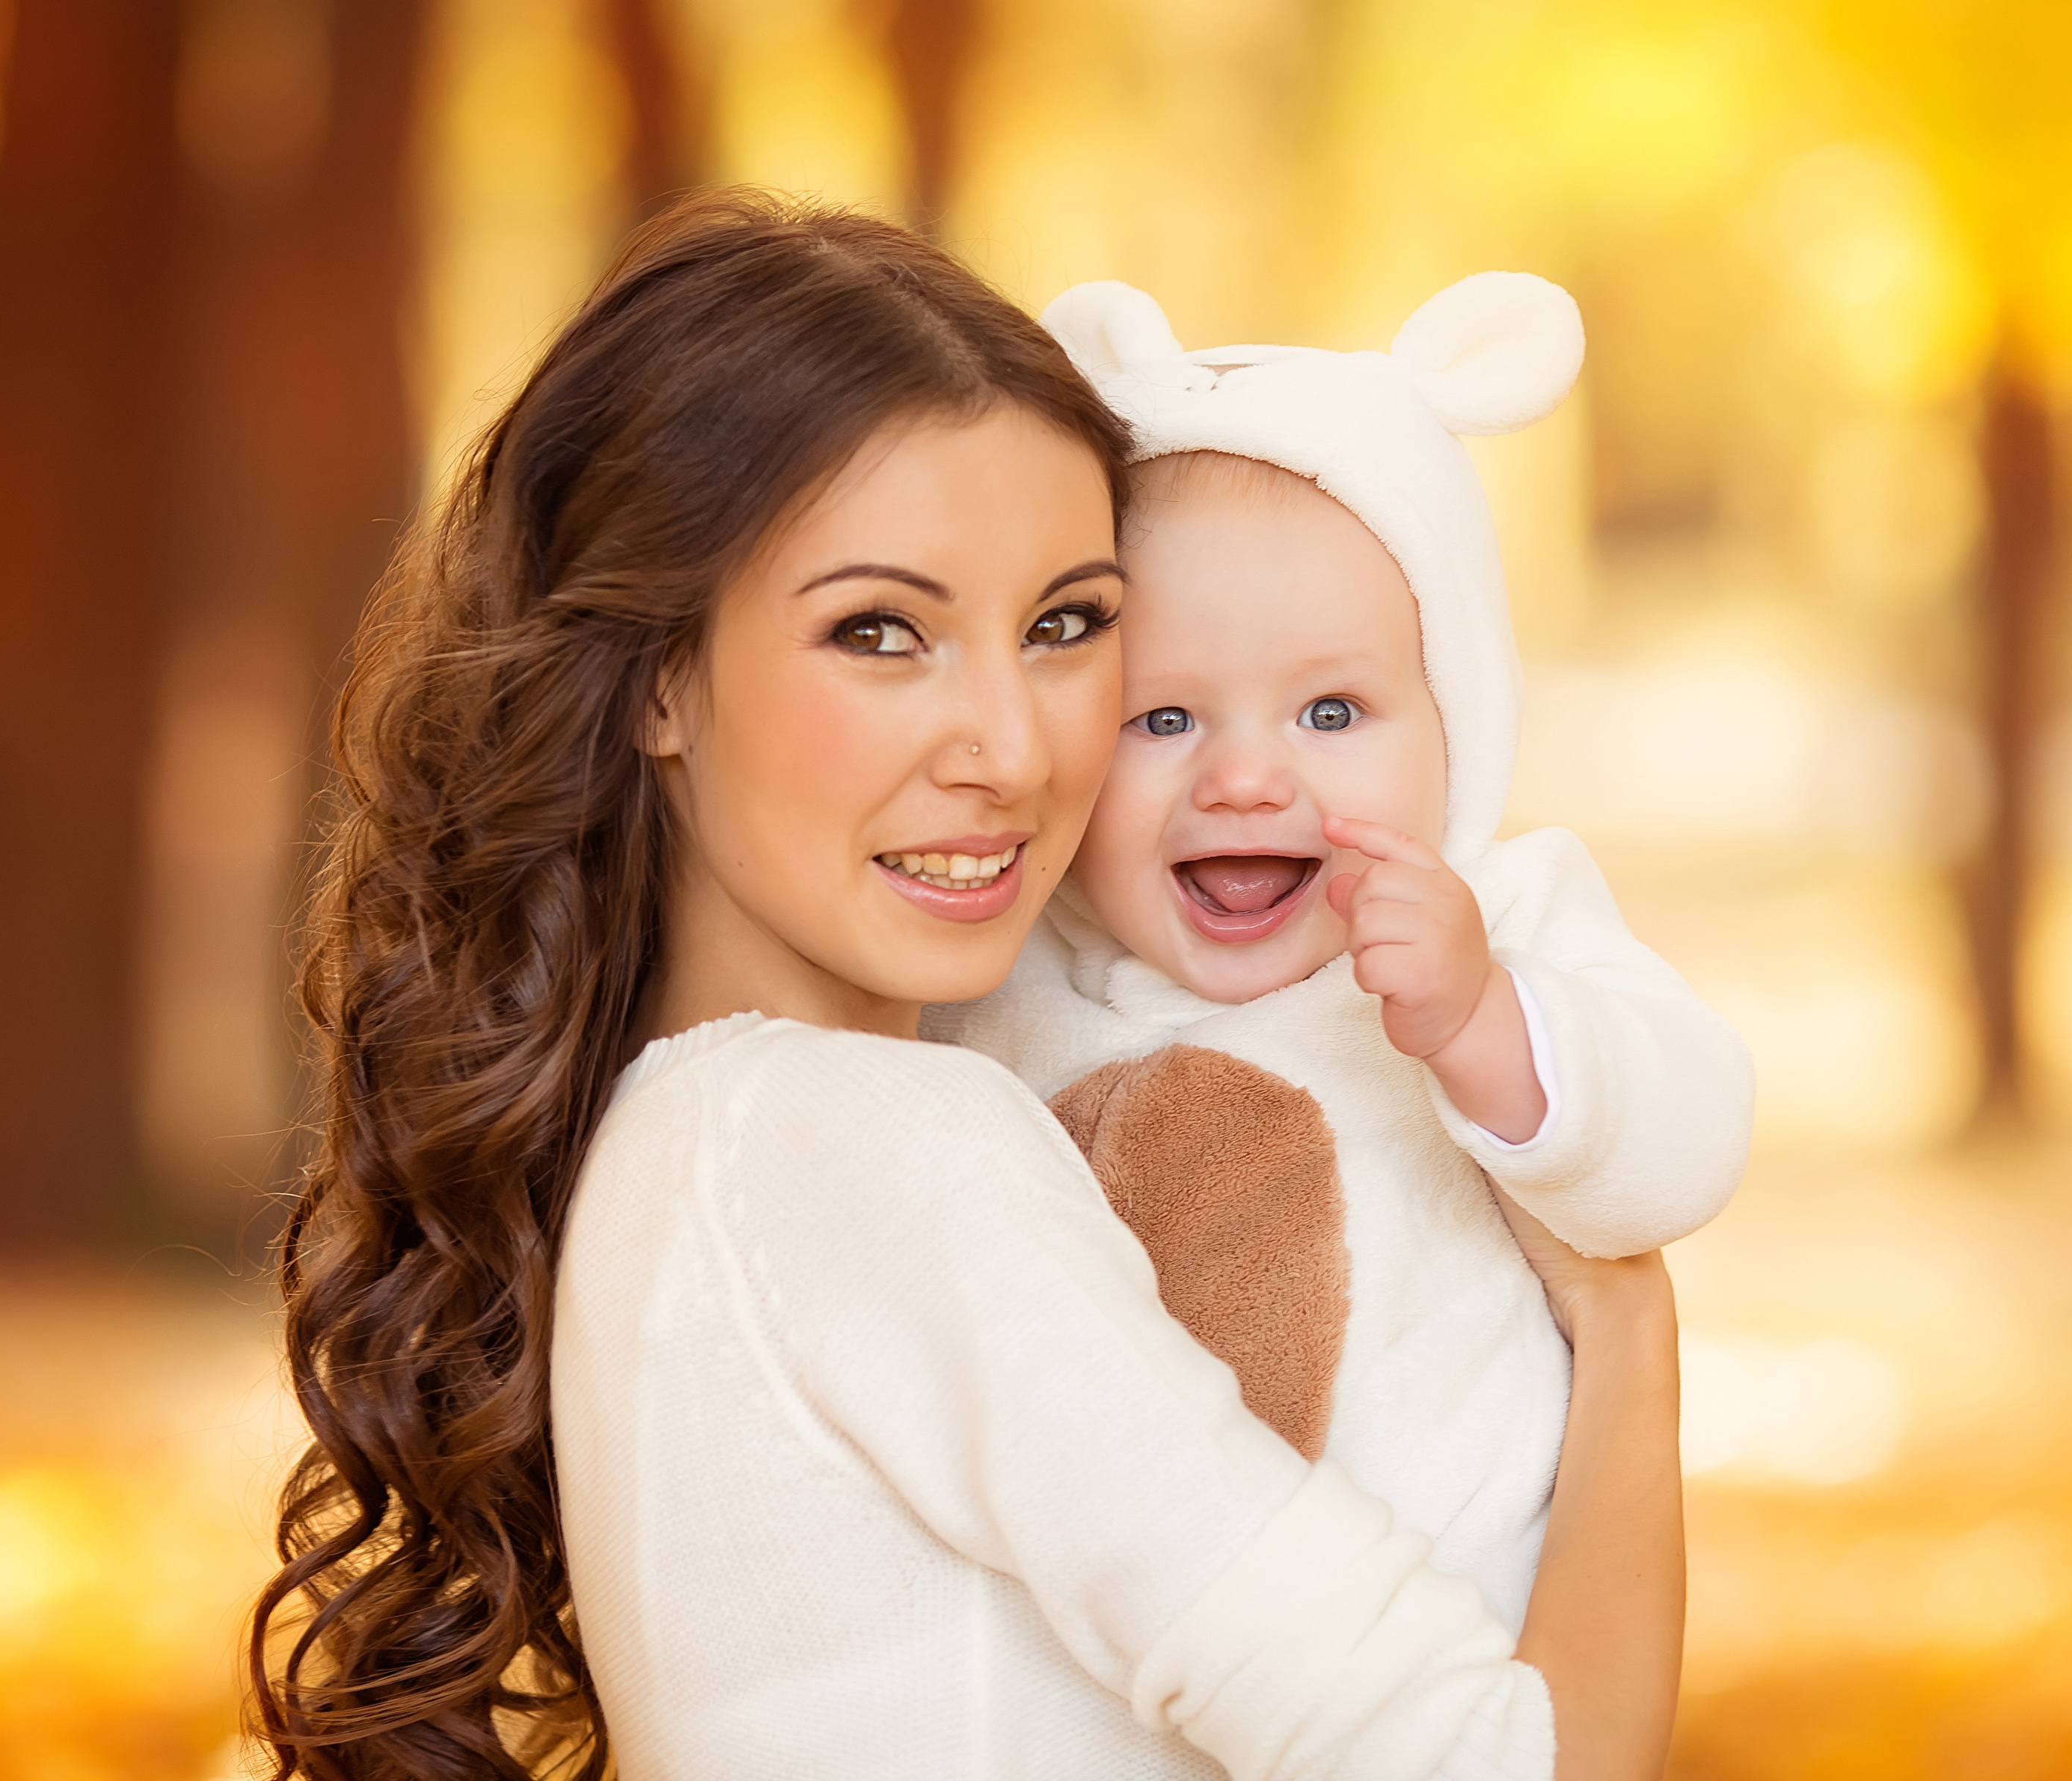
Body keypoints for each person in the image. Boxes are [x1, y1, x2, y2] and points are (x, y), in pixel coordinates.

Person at [252, 192, 1681, 1781]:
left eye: (1068, 626)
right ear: (657, 678)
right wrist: (1624, 1325)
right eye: (882, 632)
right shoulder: (872, 1146)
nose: (1012, 749)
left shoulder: (680, 1137)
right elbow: (1507, 1765)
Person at [927, 273, 1751, 1698]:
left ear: (1456, 729)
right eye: (1161, 717)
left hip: (1447, 1658)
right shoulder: (1002, 978)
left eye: (1332, 711)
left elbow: (1687, 1150)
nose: (1247, 775)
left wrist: (1494, 1031)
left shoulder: (1502, 922)